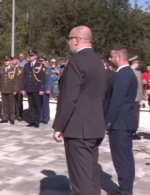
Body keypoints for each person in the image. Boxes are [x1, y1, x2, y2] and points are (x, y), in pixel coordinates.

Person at [52, 26, 106, 195]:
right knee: (91, 177)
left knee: (81, 183)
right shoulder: (98, 61)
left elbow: (69, 98)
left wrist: (59, 126)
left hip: (78, 129)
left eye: (69, 39)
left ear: (77, 40)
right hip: (94, 127)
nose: (68, 42)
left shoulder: (76, 62)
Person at [105, 47, 138, 195]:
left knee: (121, 160)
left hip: (120, 124)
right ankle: (125, 189)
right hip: (124, 122)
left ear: (119, 58)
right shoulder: (127, 73)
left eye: (111, 56)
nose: (110, 59)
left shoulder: (123, 75)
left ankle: (124, 191)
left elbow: (116, 101)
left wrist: (108, 123)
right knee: (125, 159)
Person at [21, 50, 45, 128]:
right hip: (29, 88)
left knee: (37, 105)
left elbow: (42, 78)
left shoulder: (40, 65)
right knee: (31, 106)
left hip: (36, 88)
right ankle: (31, 120)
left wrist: (42, 89)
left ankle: (37, 121)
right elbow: (24, 77)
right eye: (30, 56)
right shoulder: (27, 65)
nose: (30, 57)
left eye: (32, 56)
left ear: (35, 57)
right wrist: (23, 88)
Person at [129, 56, 145, 140]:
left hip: (128, 98)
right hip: (135, 98)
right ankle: (133, 132)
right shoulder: (138, 73)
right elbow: (139, 87)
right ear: (134, 63)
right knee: (135, 115)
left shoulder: (125, 71)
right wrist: (141, 98)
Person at [0, 58, 16, 124]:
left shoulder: (13, 69)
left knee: (11, 105)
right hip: (3, 90)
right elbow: (0, 80)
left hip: (11, 89)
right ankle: (5, 118)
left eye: (7, 61)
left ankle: (12, 118)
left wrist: (15, 90)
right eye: (5, 61)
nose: (6, 62)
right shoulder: (2, 69)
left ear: (10, 62)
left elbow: (16, 80)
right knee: (4, 105)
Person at [40, 56, 53, 124]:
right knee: (40, 104)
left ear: (45, 62)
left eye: (42, 61)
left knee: (45, 104)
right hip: (40, 90)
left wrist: (49, 89)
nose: (41, 62)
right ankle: (41, 117)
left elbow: (50, 81)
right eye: (40, 61)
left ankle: (46, 118)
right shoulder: (39, 70)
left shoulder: (49, 70)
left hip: (46, 89)